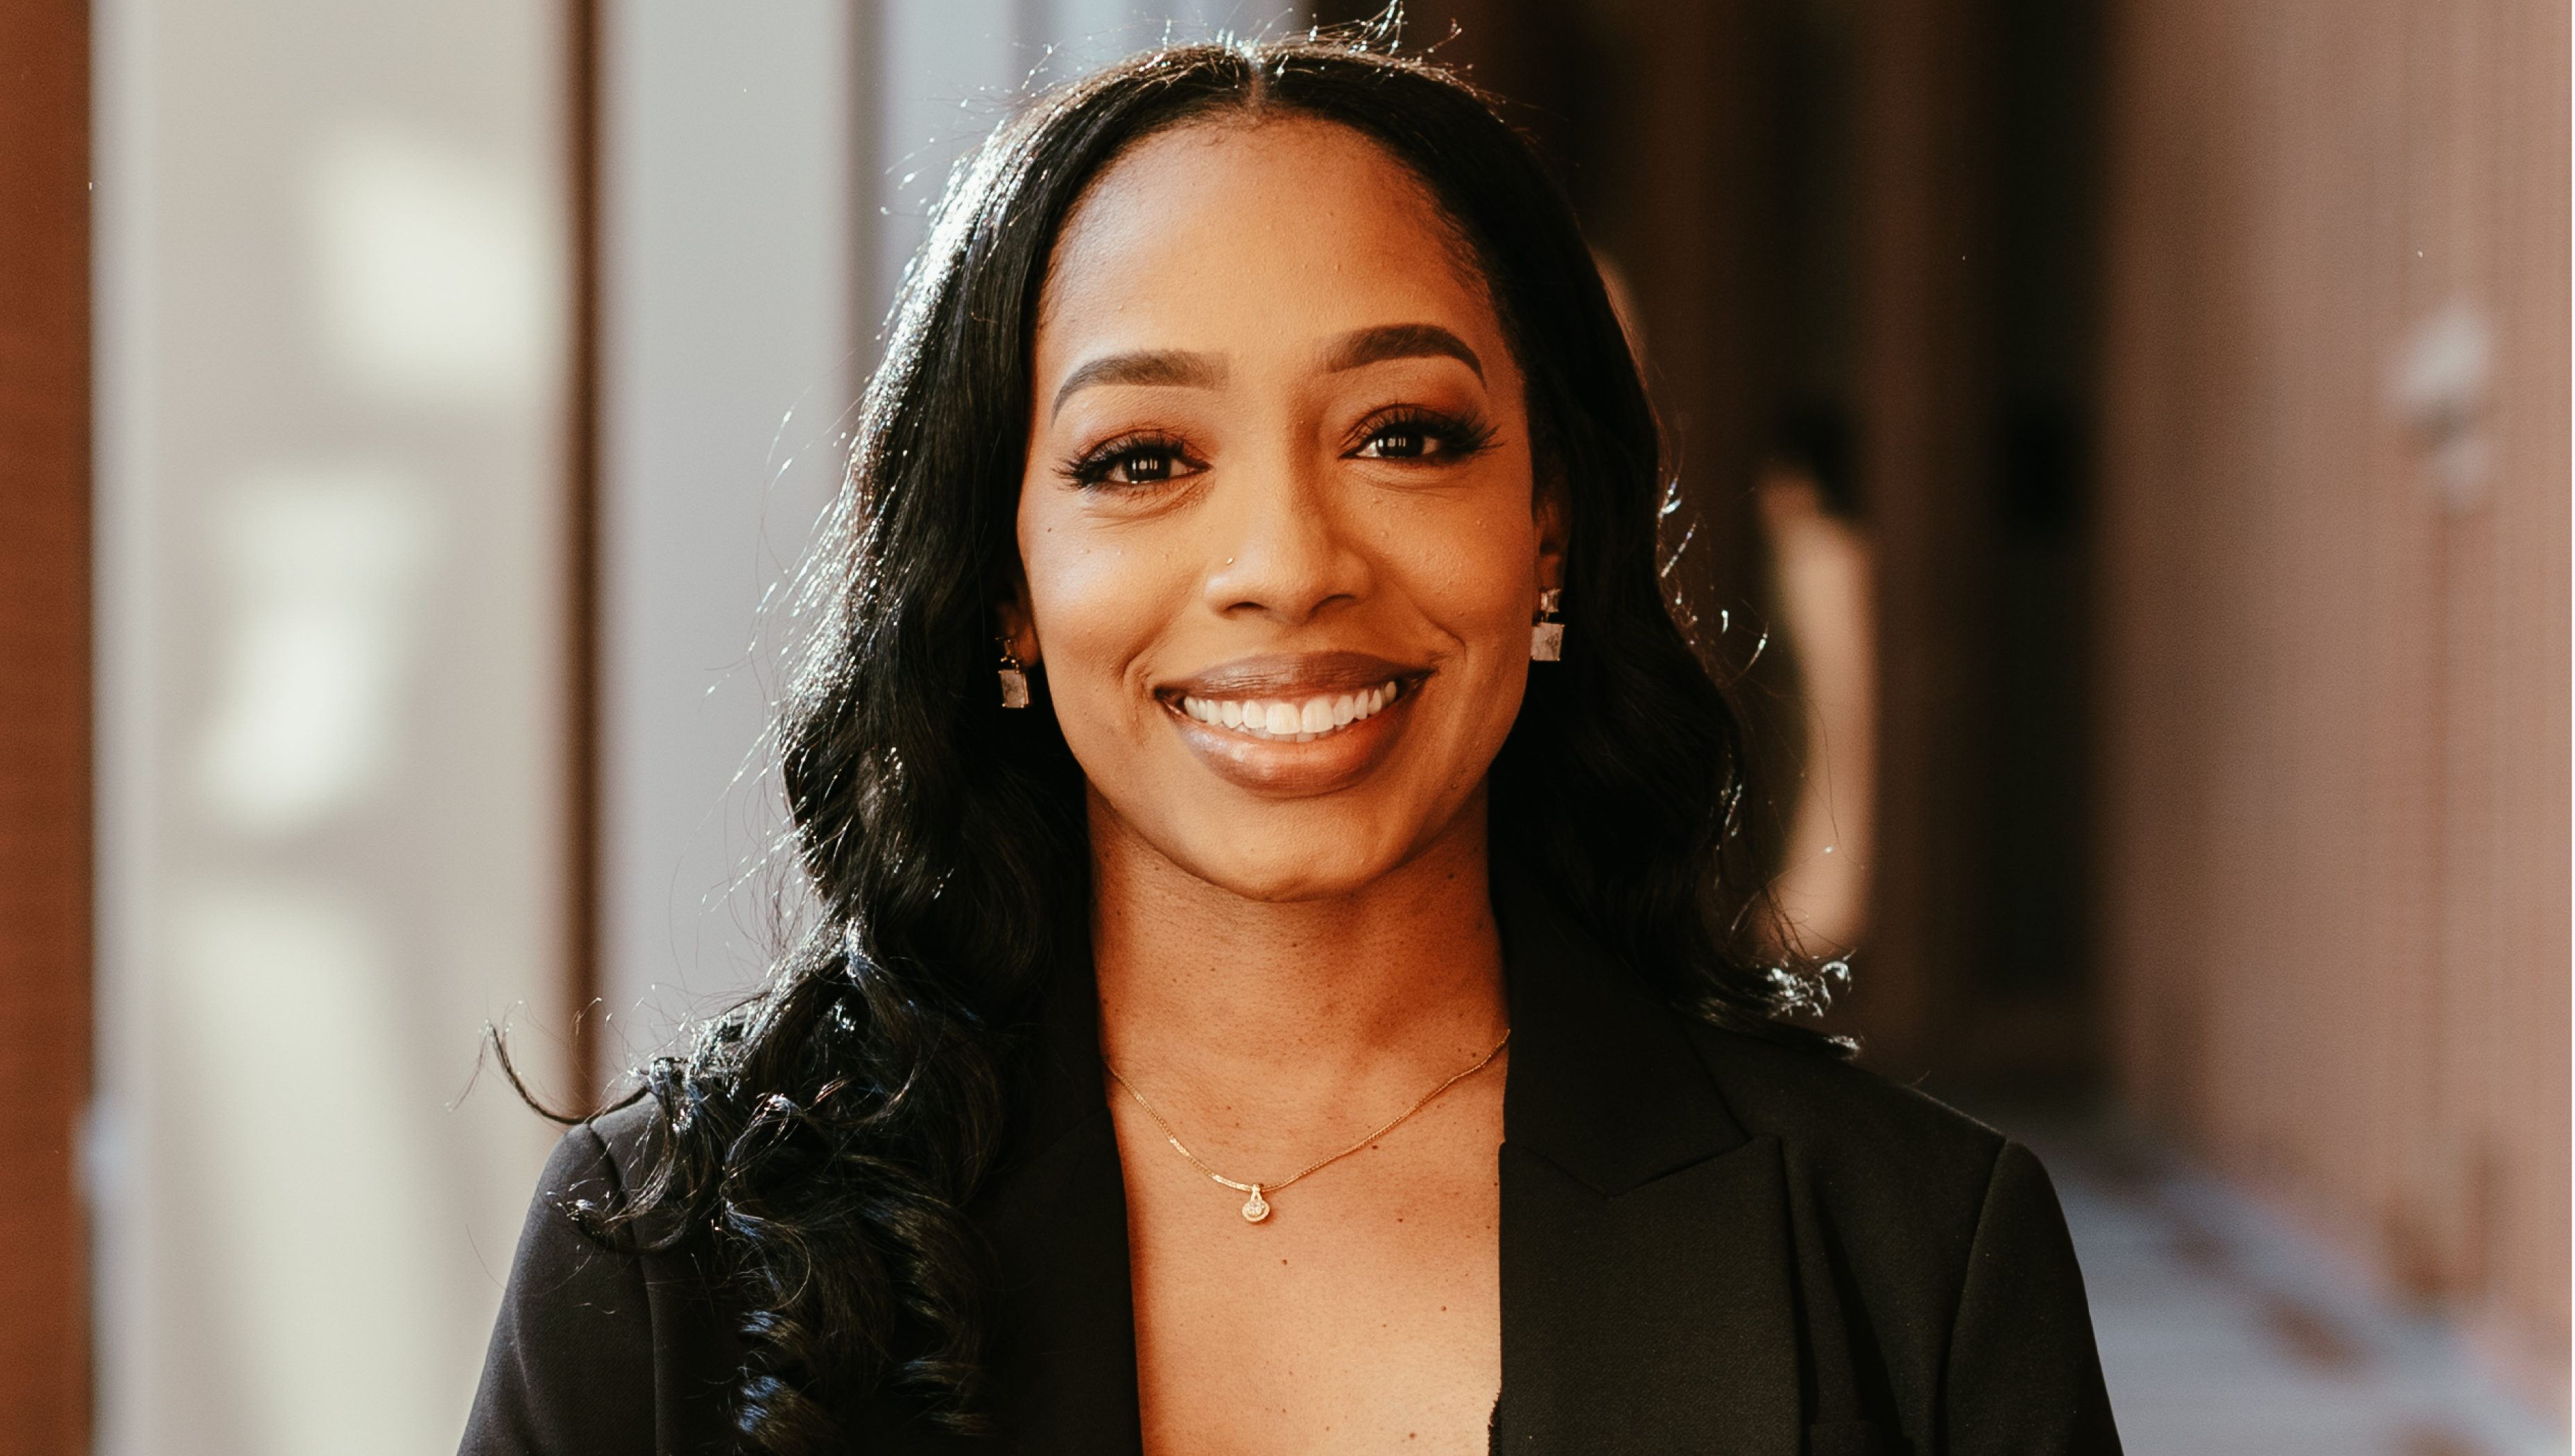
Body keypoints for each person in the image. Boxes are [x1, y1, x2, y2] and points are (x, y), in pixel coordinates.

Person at [463, 29, 2119, 1456]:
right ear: (1000, 588)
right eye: (1141, 459)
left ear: (1547, 528)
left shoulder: (1912, 1262)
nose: (1287, 563)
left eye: (1402, 435)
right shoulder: (672, 1265)